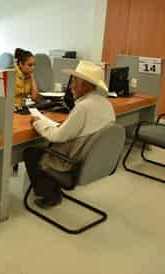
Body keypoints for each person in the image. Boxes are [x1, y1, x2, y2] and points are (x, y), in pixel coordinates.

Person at [23, 61, 116, 208]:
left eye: (75, 82)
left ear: (87, 85)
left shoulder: (83, 107)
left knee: (31, 152)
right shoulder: (105, 103)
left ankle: (48, 196)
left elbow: (57, 136)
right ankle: (52, 190)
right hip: (93, 159)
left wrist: (37, 122)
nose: (71, 86)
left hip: (74, 162)